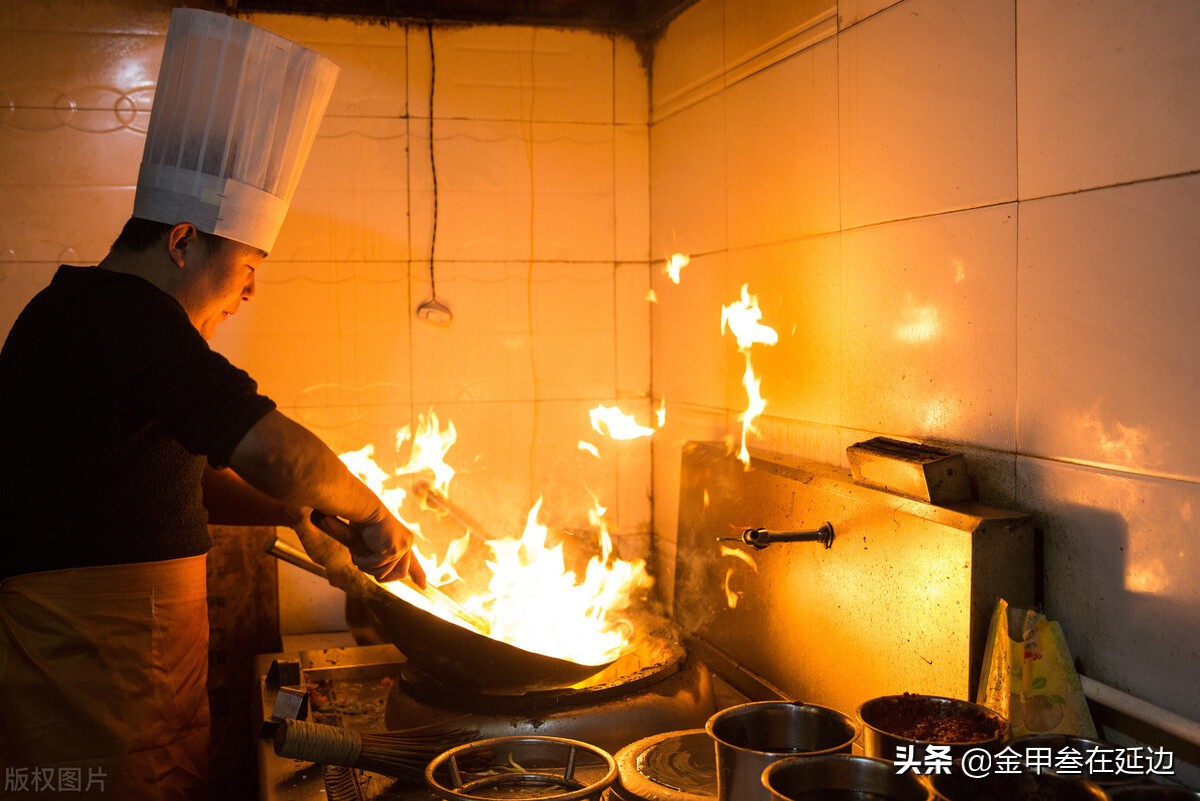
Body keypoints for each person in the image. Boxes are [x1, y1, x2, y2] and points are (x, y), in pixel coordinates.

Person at [0, 9, 423, 801]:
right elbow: (272, 448)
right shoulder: (120, 316)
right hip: (87, 672)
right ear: (184, 239)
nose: (250, 289)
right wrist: (371, 511)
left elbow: (170, 478)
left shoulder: (95, 319)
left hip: (122, 665)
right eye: (249, 263)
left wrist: (289, 513)